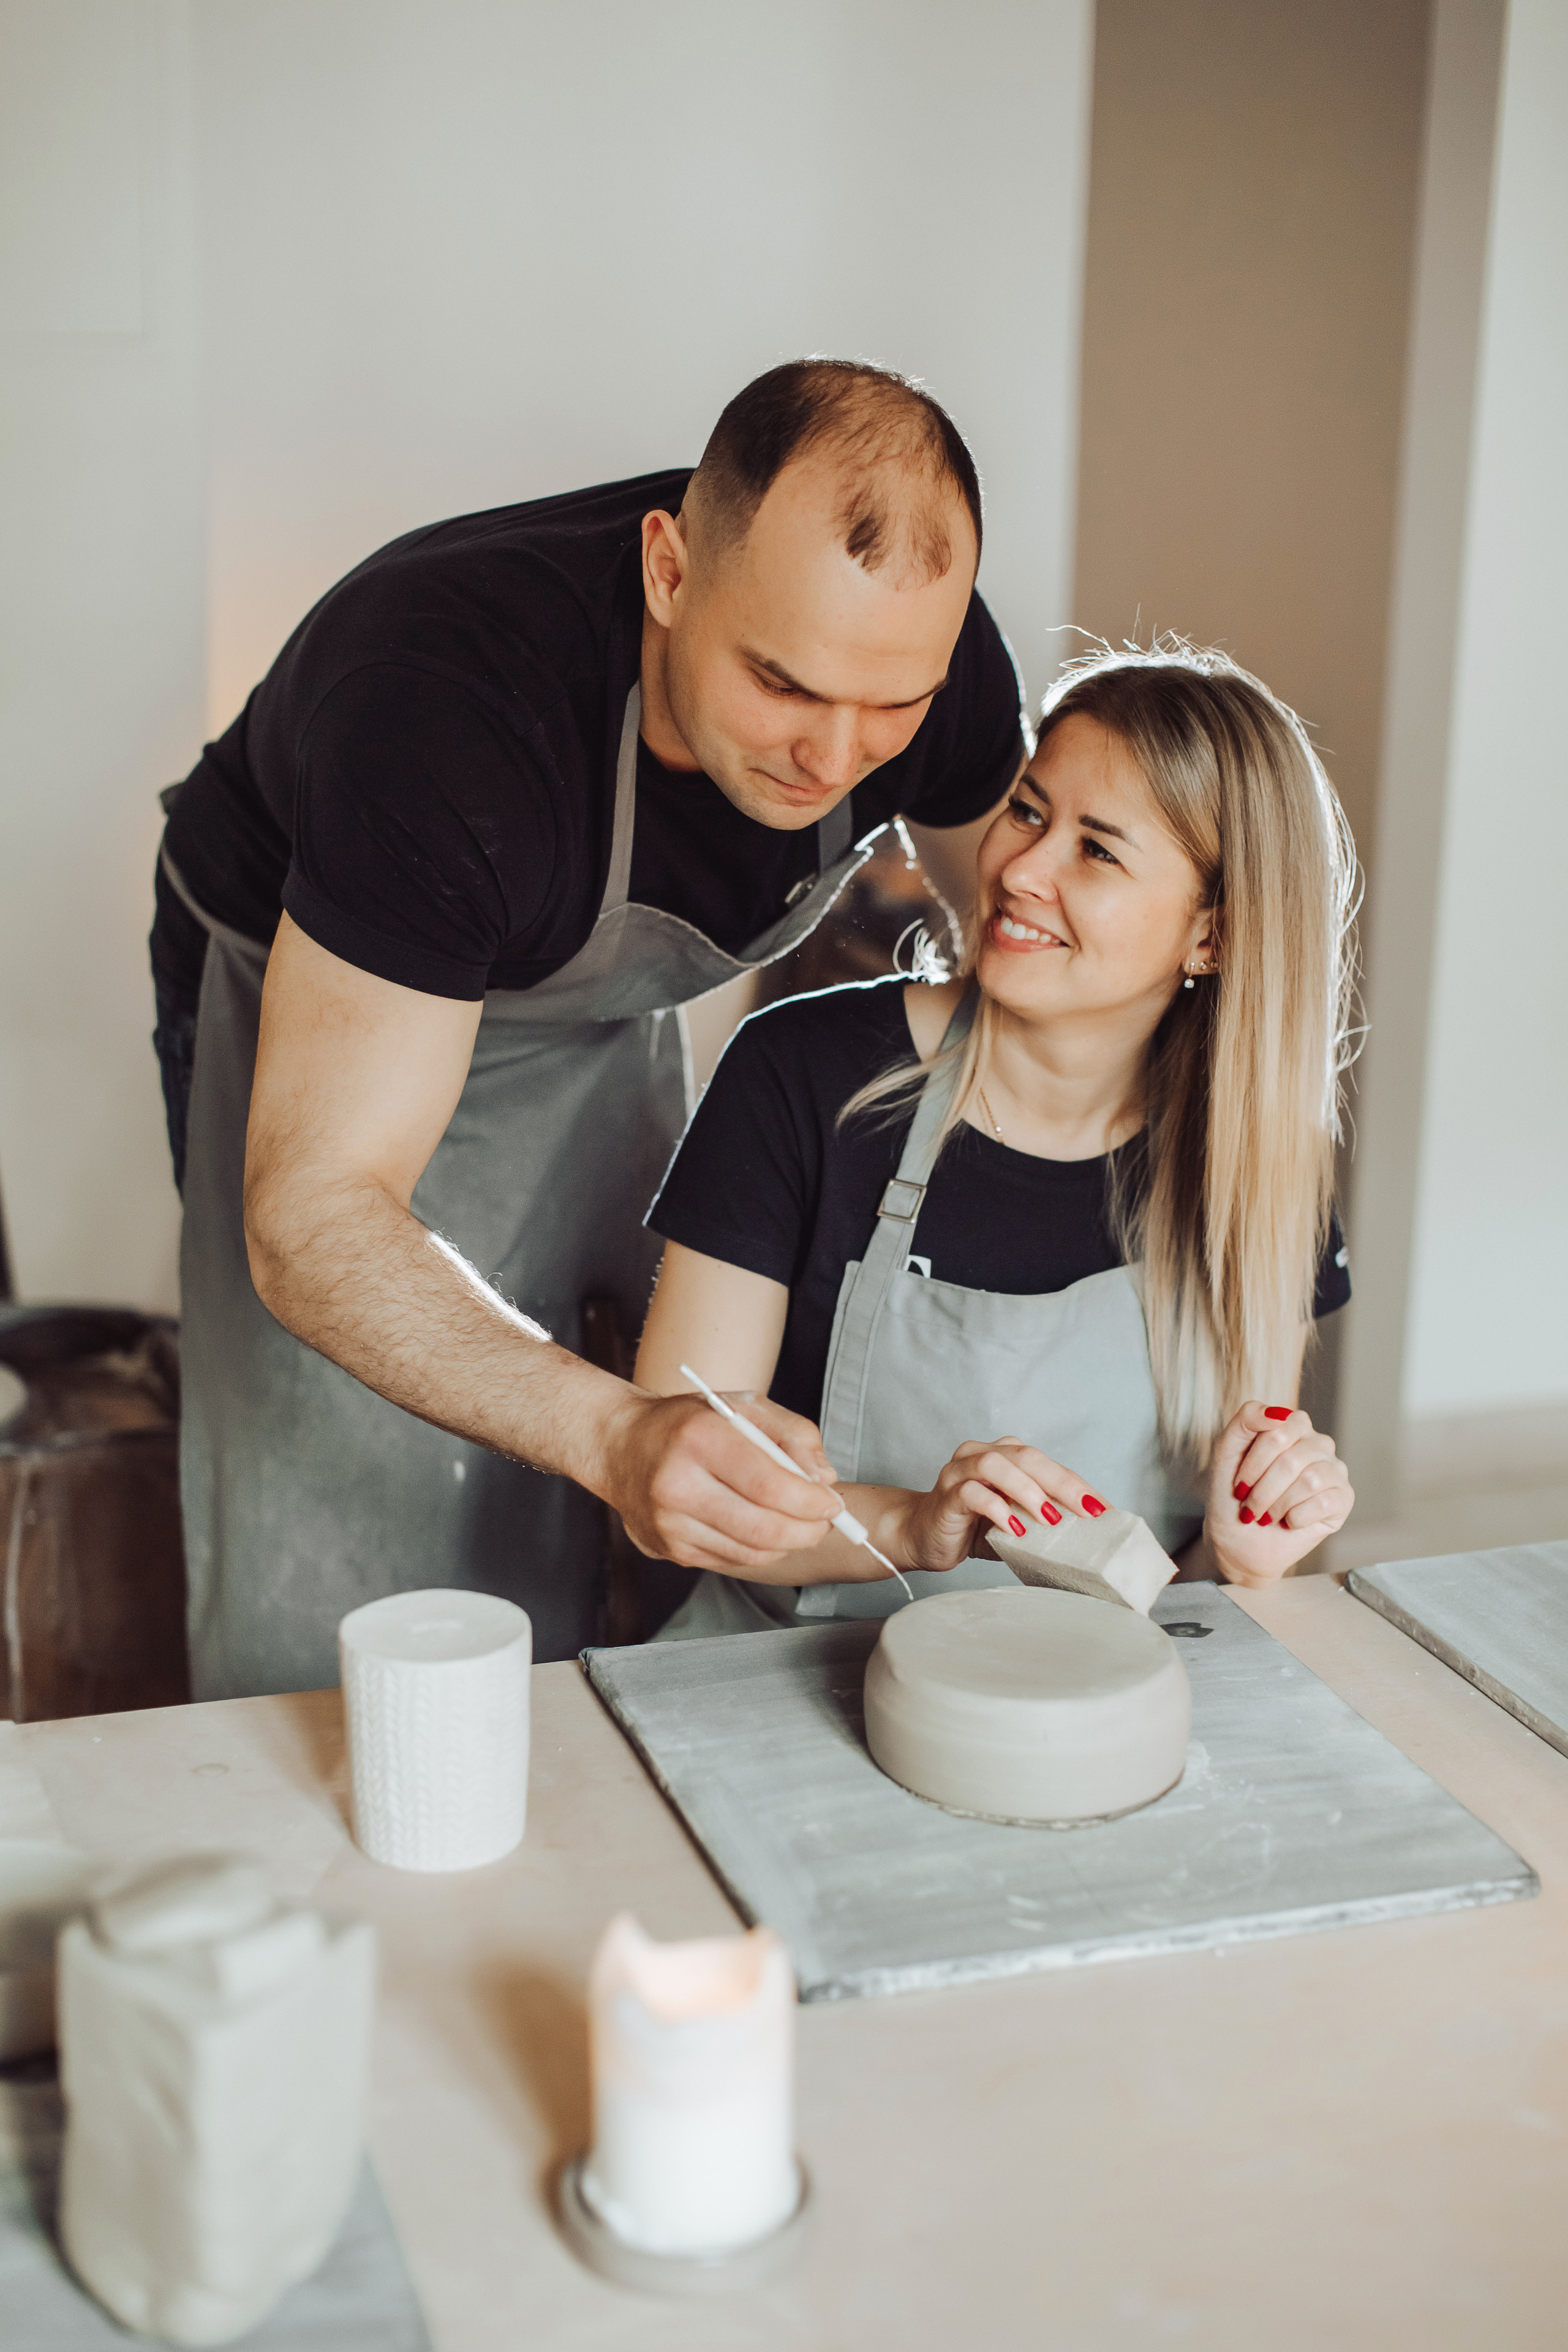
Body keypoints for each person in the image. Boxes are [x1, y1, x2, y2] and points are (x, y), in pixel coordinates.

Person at [149, 360, 1028, 1698]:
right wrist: (615, 1438)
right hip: (319, 1009)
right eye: (781, 685)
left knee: (688, 1410)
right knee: (354, 1521)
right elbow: (313, 1218)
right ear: (667, 573)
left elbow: (1022, 946)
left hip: (596, 1019)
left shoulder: (925, 673)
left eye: (888, 705)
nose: (836, 755)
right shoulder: (445, 710)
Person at [635, 644, 1357, 1637]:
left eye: (1097, 850)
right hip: (772, 1678)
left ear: (1213, 937)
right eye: (1028, 809)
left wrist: (1236, 1558)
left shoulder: (1265, 1167)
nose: (1021, 869)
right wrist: (918, 1524)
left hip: (1094, 1699)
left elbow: (1186, 1592)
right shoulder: (801, 1071)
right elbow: (674, 1492)